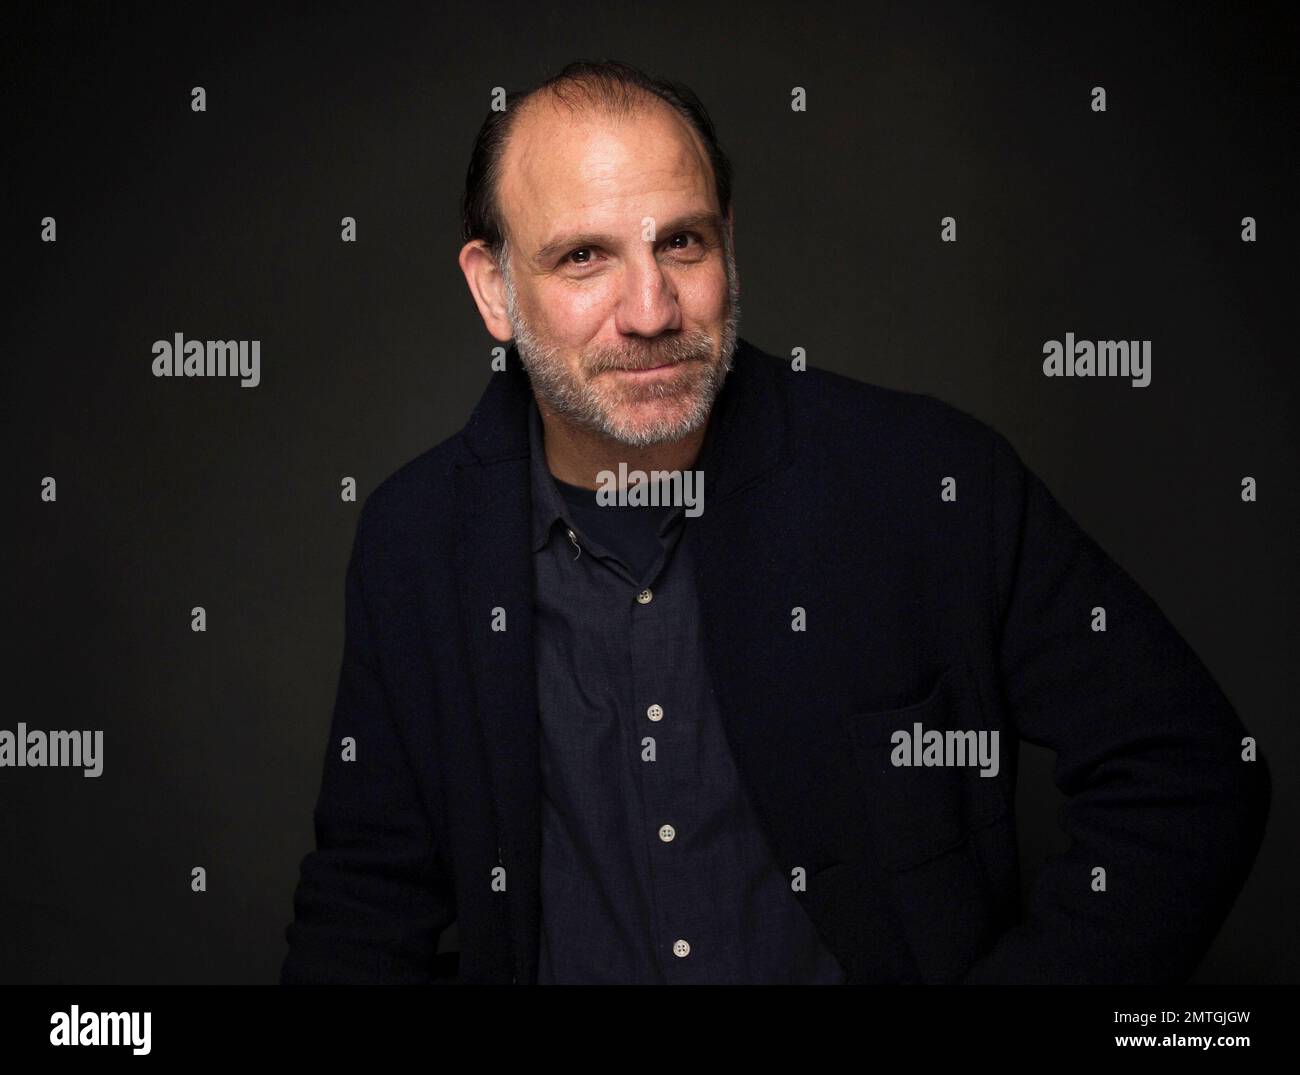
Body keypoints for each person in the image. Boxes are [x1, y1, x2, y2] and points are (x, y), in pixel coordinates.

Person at [281, 59, 1269, 984]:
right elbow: (371, 894)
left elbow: (1186, 775)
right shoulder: (415, 540)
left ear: (728, 246)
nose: (651, 307)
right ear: (494, 289)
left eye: (683, 241)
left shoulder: (928, 478)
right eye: (584, 256)